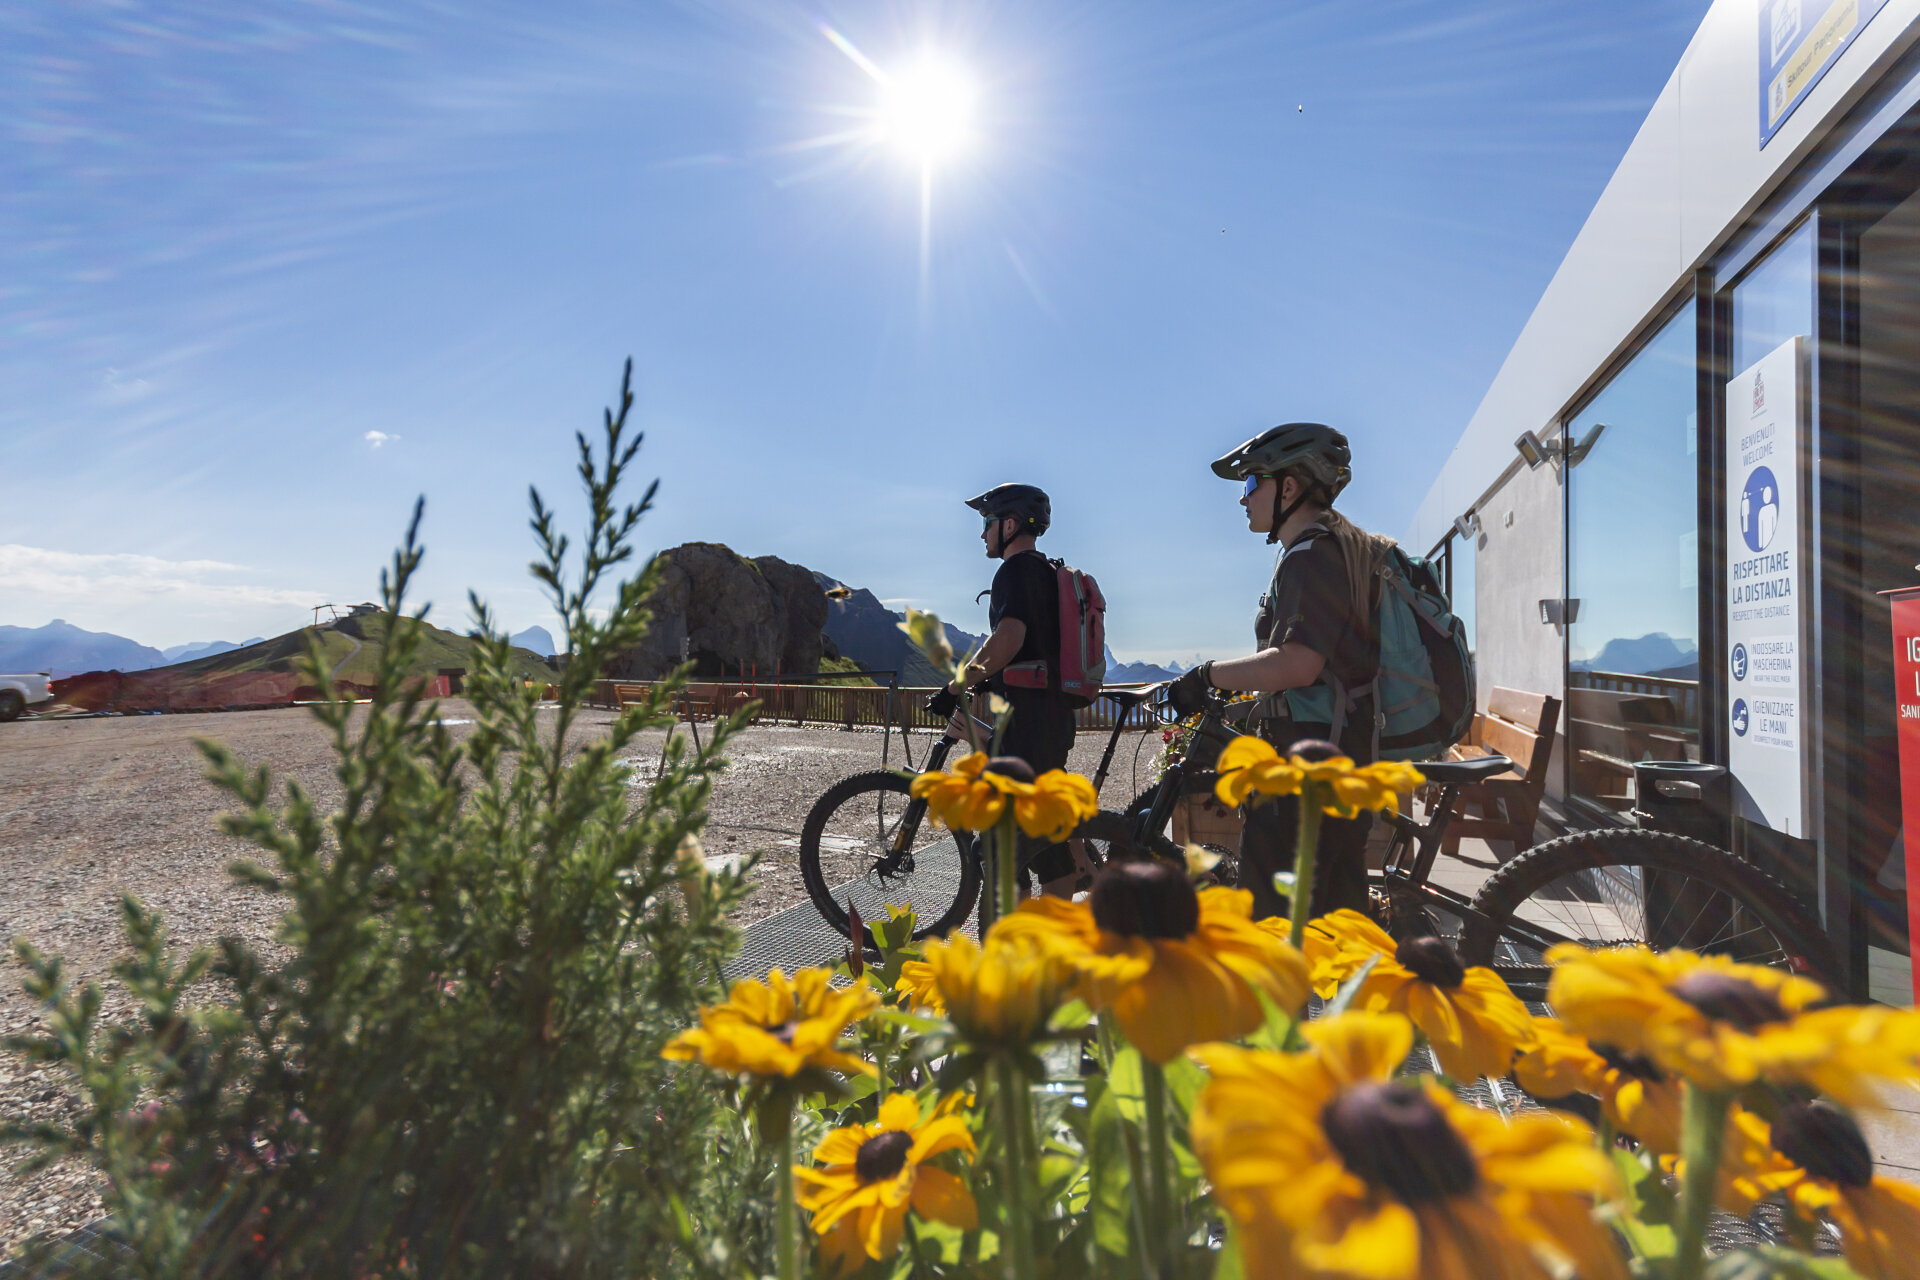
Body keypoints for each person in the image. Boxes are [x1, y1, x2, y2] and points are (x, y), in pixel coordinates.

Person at [1165, 423, 1390, 922]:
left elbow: (1298, 663)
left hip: (1305, 780)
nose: (1243, 500)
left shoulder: (1312, 557)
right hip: (1335, 766)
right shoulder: (1330, 550)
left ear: (1288, 488)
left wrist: (1206, 676)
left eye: (1251, 484)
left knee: (1271, 930)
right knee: (1333, 935)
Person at [926, 483, 1082, 897]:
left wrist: (956, 685)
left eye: (986, 523)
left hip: (1029, 721)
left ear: (1008, 524)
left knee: (1003, 847)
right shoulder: (1046, 571)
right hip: (1049, 716)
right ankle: (1047, 937)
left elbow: (1008, 638)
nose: (981, 534)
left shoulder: (1014, 571)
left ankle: (1026, 944)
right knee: (1040, 843)